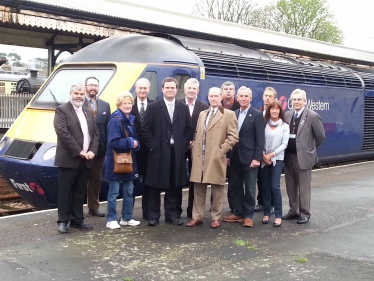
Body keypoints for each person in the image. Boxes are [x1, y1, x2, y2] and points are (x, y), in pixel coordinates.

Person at [142, 77, 193, 226]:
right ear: (162, 89)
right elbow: (145, 130)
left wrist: (182, 145)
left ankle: (172, 215)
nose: (170, 90)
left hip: (176, 153)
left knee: (174, 185)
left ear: (176, 90)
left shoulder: (182, 108)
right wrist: (153, 146)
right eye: (167, 88)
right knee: (154, 186)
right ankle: (154, 216)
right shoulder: (153, 107)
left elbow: (189, 130)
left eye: (173, 88)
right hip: (157, 153)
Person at [186, 87, 238, 229]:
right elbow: (197, 132)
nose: (214, 98)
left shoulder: (228, 114)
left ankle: (216, 217)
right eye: (211, 96)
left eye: (216, 96)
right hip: (199, 157)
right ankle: (197, 216)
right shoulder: (203, 114)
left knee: (217, 190)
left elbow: (233, 136)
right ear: (208, 97)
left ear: (221, 97)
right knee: (198, 189)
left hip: (216, 157)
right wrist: (193, 147)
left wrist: (222, 151)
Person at [54, 83, 99, 234]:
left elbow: (96, 133)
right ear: (70, 94)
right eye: (76, 93)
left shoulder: (87, 111)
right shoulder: (62, 110)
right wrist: (79, 151)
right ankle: (62, 221)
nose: (79, 96)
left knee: (80, 191)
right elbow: (62, 133)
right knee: (65, 191)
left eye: (81, 94)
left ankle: (77, 220)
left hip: (86, 159)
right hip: (69, 158)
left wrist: (92, 150)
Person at [223, 86, 265, 227]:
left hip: (250, 158)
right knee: (235, 187)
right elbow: (228, 136)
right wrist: (228, 155)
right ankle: (238, 213)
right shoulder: (232, 114)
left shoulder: (257, 115)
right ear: (238, 98)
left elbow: (260, 139)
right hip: (234, 157)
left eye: (246, 96)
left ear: (250, 98)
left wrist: (257, 158)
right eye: (241, 96)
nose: (243, 98)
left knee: (250, 188)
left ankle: (248, 215)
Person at [283, 89, 325, 224]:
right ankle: (293, 211)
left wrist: (309, 150)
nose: (296, 102)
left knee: (304, 187)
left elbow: (320, 136)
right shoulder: (288, 115)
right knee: (290, 186)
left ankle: (304, 212)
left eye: (299, 99)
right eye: (294, 100)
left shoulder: (312, 116)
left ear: (305, 101)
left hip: (304, 158)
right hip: (288, 156)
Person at [103, 92, 140, 229]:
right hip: (115, 162)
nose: (128, 105)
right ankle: (111, 219)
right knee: (114, 191)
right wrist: (131, 142)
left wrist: (136, 143)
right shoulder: (116, 120)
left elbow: (135, 138)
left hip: (127, 161)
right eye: (124, 103)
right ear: (119, 105)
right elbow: (113, 142)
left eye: (129, 103)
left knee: (129, 190)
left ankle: (126, 217)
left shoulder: (130, 119)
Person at [179, 78, 209, 218]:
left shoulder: (204, 107)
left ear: (198, 91)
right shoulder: (178, 105)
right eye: (189, 88)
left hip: (196, 149)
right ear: (185, 90)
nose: (191, 91)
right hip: (179, 147)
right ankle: (175, 210)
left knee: (194, 179)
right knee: (177, 178)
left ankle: (192, 210)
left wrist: (194, 141)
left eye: (194, 89)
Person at [84, 76, 111, 217]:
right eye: (90, 85)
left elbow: (108, 127)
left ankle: (93, 207)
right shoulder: (78, 103)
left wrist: (107, 147)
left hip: (99, 149)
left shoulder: (105, 105)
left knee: (96, 179)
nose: (93, 88)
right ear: (85, 87)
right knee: (79, 179)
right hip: (81, 149)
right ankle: (75, 209)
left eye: (95, 85)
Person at [261, 101, 289, 227]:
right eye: (272, 109)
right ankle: (266, 213)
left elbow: (284, 144)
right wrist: (263, 155)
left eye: (277, 109)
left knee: (274, 187)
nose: (274, 111)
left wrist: (271, 155)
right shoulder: (264, 124)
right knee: (265, 187)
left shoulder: (284, 126)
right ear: (269, 110)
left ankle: (278, 215)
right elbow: (259, 140)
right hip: (264, 159)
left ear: (280, 111)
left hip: (277, 159)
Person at [130, 78, 154, 220]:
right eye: (140, 88)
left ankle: (147, 212)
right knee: (131, 183)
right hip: (133, 152)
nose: (143, 91)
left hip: (150, 152)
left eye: (145, 88)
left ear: (148, 90)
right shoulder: (129, 104)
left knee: (148, 183)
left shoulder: (154, 105)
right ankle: (129, 214)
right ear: (136, 89)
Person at [255, 87, 277, 213]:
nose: (267, 98)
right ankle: (261, 202)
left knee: (272, 182)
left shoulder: (276, 113)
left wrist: (270, 154)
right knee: (261, 179)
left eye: (270, 96)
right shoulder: (259, 112)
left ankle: (272, 204)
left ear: (274, 98)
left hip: (272, 153)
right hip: (261, 151)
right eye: (266, 96)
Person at [221, 81, 240, 212]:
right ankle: (215, 205)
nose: (228, 91)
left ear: (234, 92)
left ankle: (234, 206)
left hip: (235, 150)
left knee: (234, 181)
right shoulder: (216, 105)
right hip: (220, 148)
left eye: (230, 89)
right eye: (226, 89)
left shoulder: (240, 106)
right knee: (217, 179)